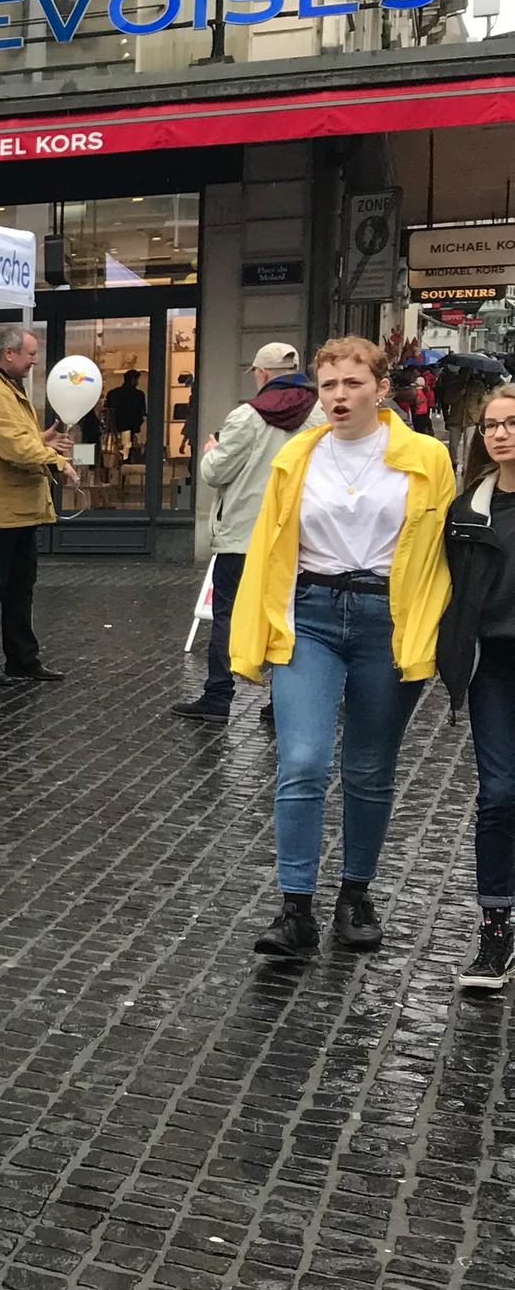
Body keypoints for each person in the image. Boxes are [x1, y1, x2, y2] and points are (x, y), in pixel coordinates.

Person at [230, 336, 454, 960]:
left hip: (391, 618)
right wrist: (253, 632)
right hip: (313, 615)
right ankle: (295, 907)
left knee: (368, 766)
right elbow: (270, 549)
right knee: (301, 759)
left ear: (381, 389)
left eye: (352, 384)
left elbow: (441, 550)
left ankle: (355, 896)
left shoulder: (427, 456)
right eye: (328, 385)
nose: (338, 396)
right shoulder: (297, 457)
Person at [176, 343, 313, 722]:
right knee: (291, 618)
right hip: (298, 538)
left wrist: (211, 450)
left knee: (228, 616)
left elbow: (214, 473)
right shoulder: (319, 415)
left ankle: (218, 696)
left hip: (243, 536)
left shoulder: (247, 416)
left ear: (262, 374)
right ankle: (280, 702)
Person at [438, 382, 515, 990]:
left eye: (511, 422)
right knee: (499, 793)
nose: (500, 433)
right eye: (492, 425)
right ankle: (496, 930)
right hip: (493, 667)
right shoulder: (468, 512)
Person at [0, 324, 73, 686]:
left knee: (20, 587)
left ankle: (23, 658)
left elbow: (15, 439)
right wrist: (55, 459)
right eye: (30, 354)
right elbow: (12, 447)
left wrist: (41, 438)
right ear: (9, 354)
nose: (34, 361)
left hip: (15, 506)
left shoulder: (2, 386)